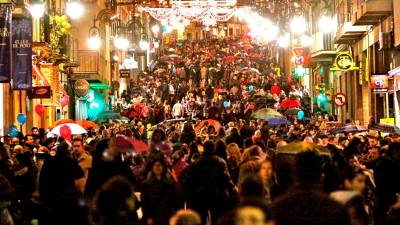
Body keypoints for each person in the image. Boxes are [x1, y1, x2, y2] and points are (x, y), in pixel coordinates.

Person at [39, 141, 85, 225]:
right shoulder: (70, 161)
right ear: (68, 151)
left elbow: (42, 179)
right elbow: (80, 173)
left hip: (52, 196)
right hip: (67, 197)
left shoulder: (49, 161)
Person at [141, 158, 178, 225]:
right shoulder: (146, 184)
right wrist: (148, 217)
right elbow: (144, 202)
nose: (157, 167)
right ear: (152, 168)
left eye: (160, 165)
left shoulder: (169, 183)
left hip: (167, 216)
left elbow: (174, 199)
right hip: (153, 216)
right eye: (155, 165)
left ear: (163, 167)